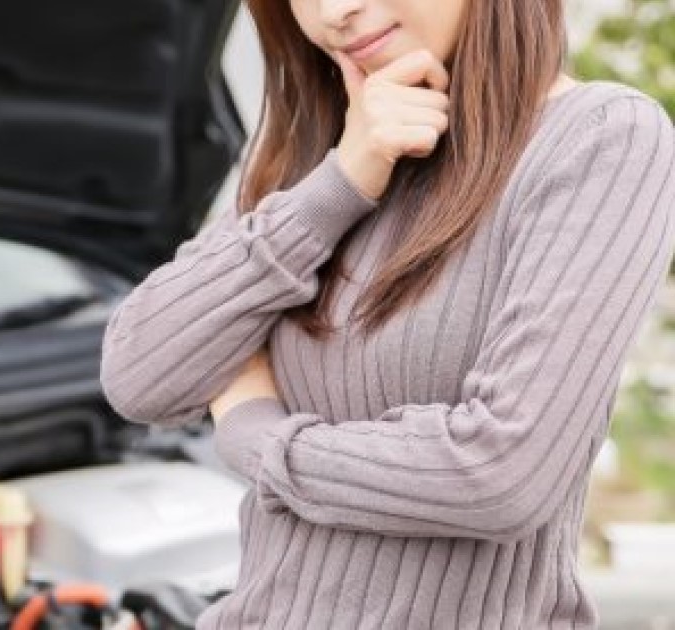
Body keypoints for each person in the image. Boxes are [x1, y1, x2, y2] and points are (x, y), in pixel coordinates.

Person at [98, 0, 675, 627]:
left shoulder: (602, 138)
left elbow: (501, 474)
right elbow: (137, 375)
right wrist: (342, 181)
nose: (334, 11)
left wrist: (256, 437)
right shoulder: (315, 154)